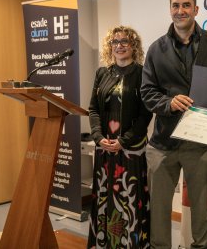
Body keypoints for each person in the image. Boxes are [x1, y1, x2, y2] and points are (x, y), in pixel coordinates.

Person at [140, 0, 207, 249]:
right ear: (170, 10)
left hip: (199, 143)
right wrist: (169, 102)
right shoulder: (156, 48)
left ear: (196, 9)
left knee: (201, 210)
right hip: (163, 143)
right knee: (159, 210)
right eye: (176, 6)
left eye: (186, 5)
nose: (181, 11)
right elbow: (147, 91)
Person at [88, 25, 152, 248]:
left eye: (125, 41)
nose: (120, 46)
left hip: (131, 147)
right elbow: (93, 108)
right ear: (110, 46)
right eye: (115, 42)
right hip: (105, 146)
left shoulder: (143, 73)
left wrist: (123, 141)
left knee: (129, 200)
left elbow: (146, 115)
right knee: (106, 197)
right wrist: (98, 137)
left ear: (134, 46)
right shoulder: (102, 73)